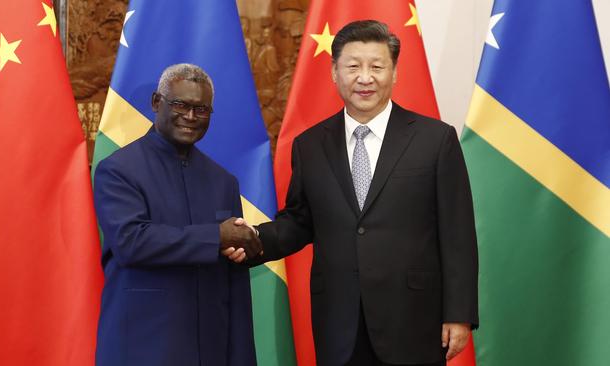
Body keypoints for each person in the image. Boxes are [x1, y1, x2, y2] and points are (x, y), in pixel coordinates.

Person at [236, 20, 479, 366]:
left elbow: (457, 234)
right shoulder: (310, 145)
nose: (365, 78)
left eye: (377, 66)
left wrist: (459, 313)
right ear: (335, 73)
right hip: (339, 321)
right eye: (353, 66)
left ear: (394, 73)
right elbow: (299, 221)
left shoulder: (435, 140)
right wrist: (253, 239)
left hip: (413, 320)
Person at [93, 63, 261, 366]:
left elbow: (234, 282)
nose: (190, 117)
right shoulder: (118, 170)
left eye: (202, 110)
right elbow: (131, 242)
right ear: (157, 102)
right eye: (180, 104)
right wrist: (217, 235)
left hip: (211, 348)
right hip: (143, 348)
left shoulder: (224, 181)